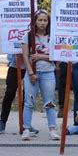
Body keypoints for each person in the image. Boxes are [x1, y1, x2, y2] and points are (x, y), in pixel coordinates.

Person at [21, 10, 60, 141]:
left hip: (48, 73)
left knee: (50, 102)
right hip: (32, 73)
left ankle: (52, 129)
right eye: (40, 20)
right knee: (29, 102)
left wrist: (40, 56)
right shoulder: (28, 36)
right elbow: (26, 56)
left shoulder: (52, 37)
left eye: (45, 20)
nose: (42, 23)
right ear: (35, 21)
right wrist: (31, 73)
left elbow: (55, 56)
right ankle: (26, 128)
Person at [0, 54, 38, 135]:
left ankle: (26, 124)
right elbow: (9, 46)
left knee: (27, 95)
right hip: (15, 65)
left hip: (30, 67)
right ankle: (2, 122)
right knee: (9, 93)